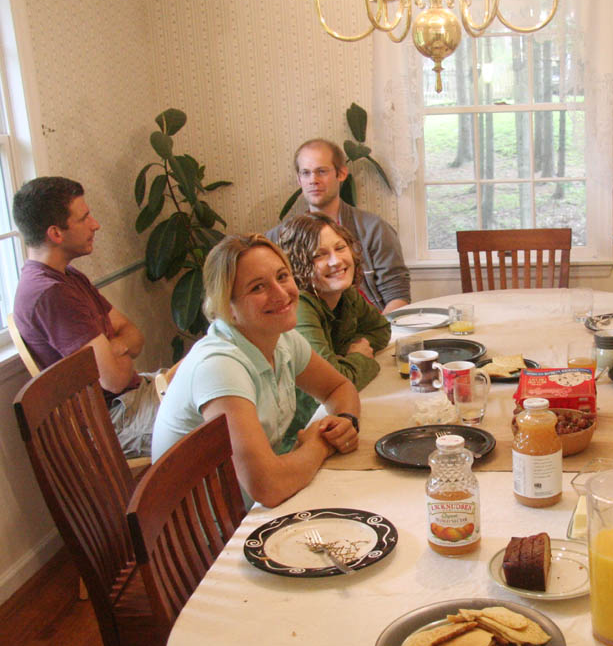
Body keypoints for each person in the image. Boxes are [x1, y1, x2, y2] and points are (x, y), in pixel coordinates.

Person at [151, 234, 361, 508]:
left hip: (248, 501)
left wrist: (344, 421)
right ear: (228, 308)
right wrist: (322, 444)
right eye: (258, 287)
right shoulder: (220, 366)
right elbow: (269, 486)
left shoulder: (279, 336)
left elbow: (339, 388)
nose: (281, 293)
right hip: (209, 530)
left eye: (282, 276)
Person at [11, 176, 165, 458]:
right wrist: (116, 347)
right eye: (85, 218)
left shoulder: (67, 276)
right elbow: (115, 379)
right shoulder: (51, 294)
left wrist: (112, 347)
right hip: (117, 419)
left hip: (134, 396)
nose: (95, 224)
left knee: (216, 379)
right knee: (223, 412)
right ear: (56, 234)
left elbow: (135, 335)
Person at [276, 213, 391, 448]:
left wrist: (345, 361)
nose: (336, 261)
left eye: (340, 248)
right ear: (298, 264)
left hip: (329, 419)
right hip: (297, 435)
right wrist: (357, 357)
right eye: (319, 255)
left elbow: (381, 330)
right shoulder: (301, 307)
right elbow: (338, 382)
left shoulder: (343, 291)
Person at [286, 138, 410, 314]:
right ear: (299, 179)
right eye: (306, 173)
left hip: (376, 328)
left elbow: (398, 294)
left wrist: (372, 337)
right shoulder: (284, 237)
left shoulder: (375, 229)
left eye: (321, 171)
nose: (313, 180)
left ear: (341, 173)